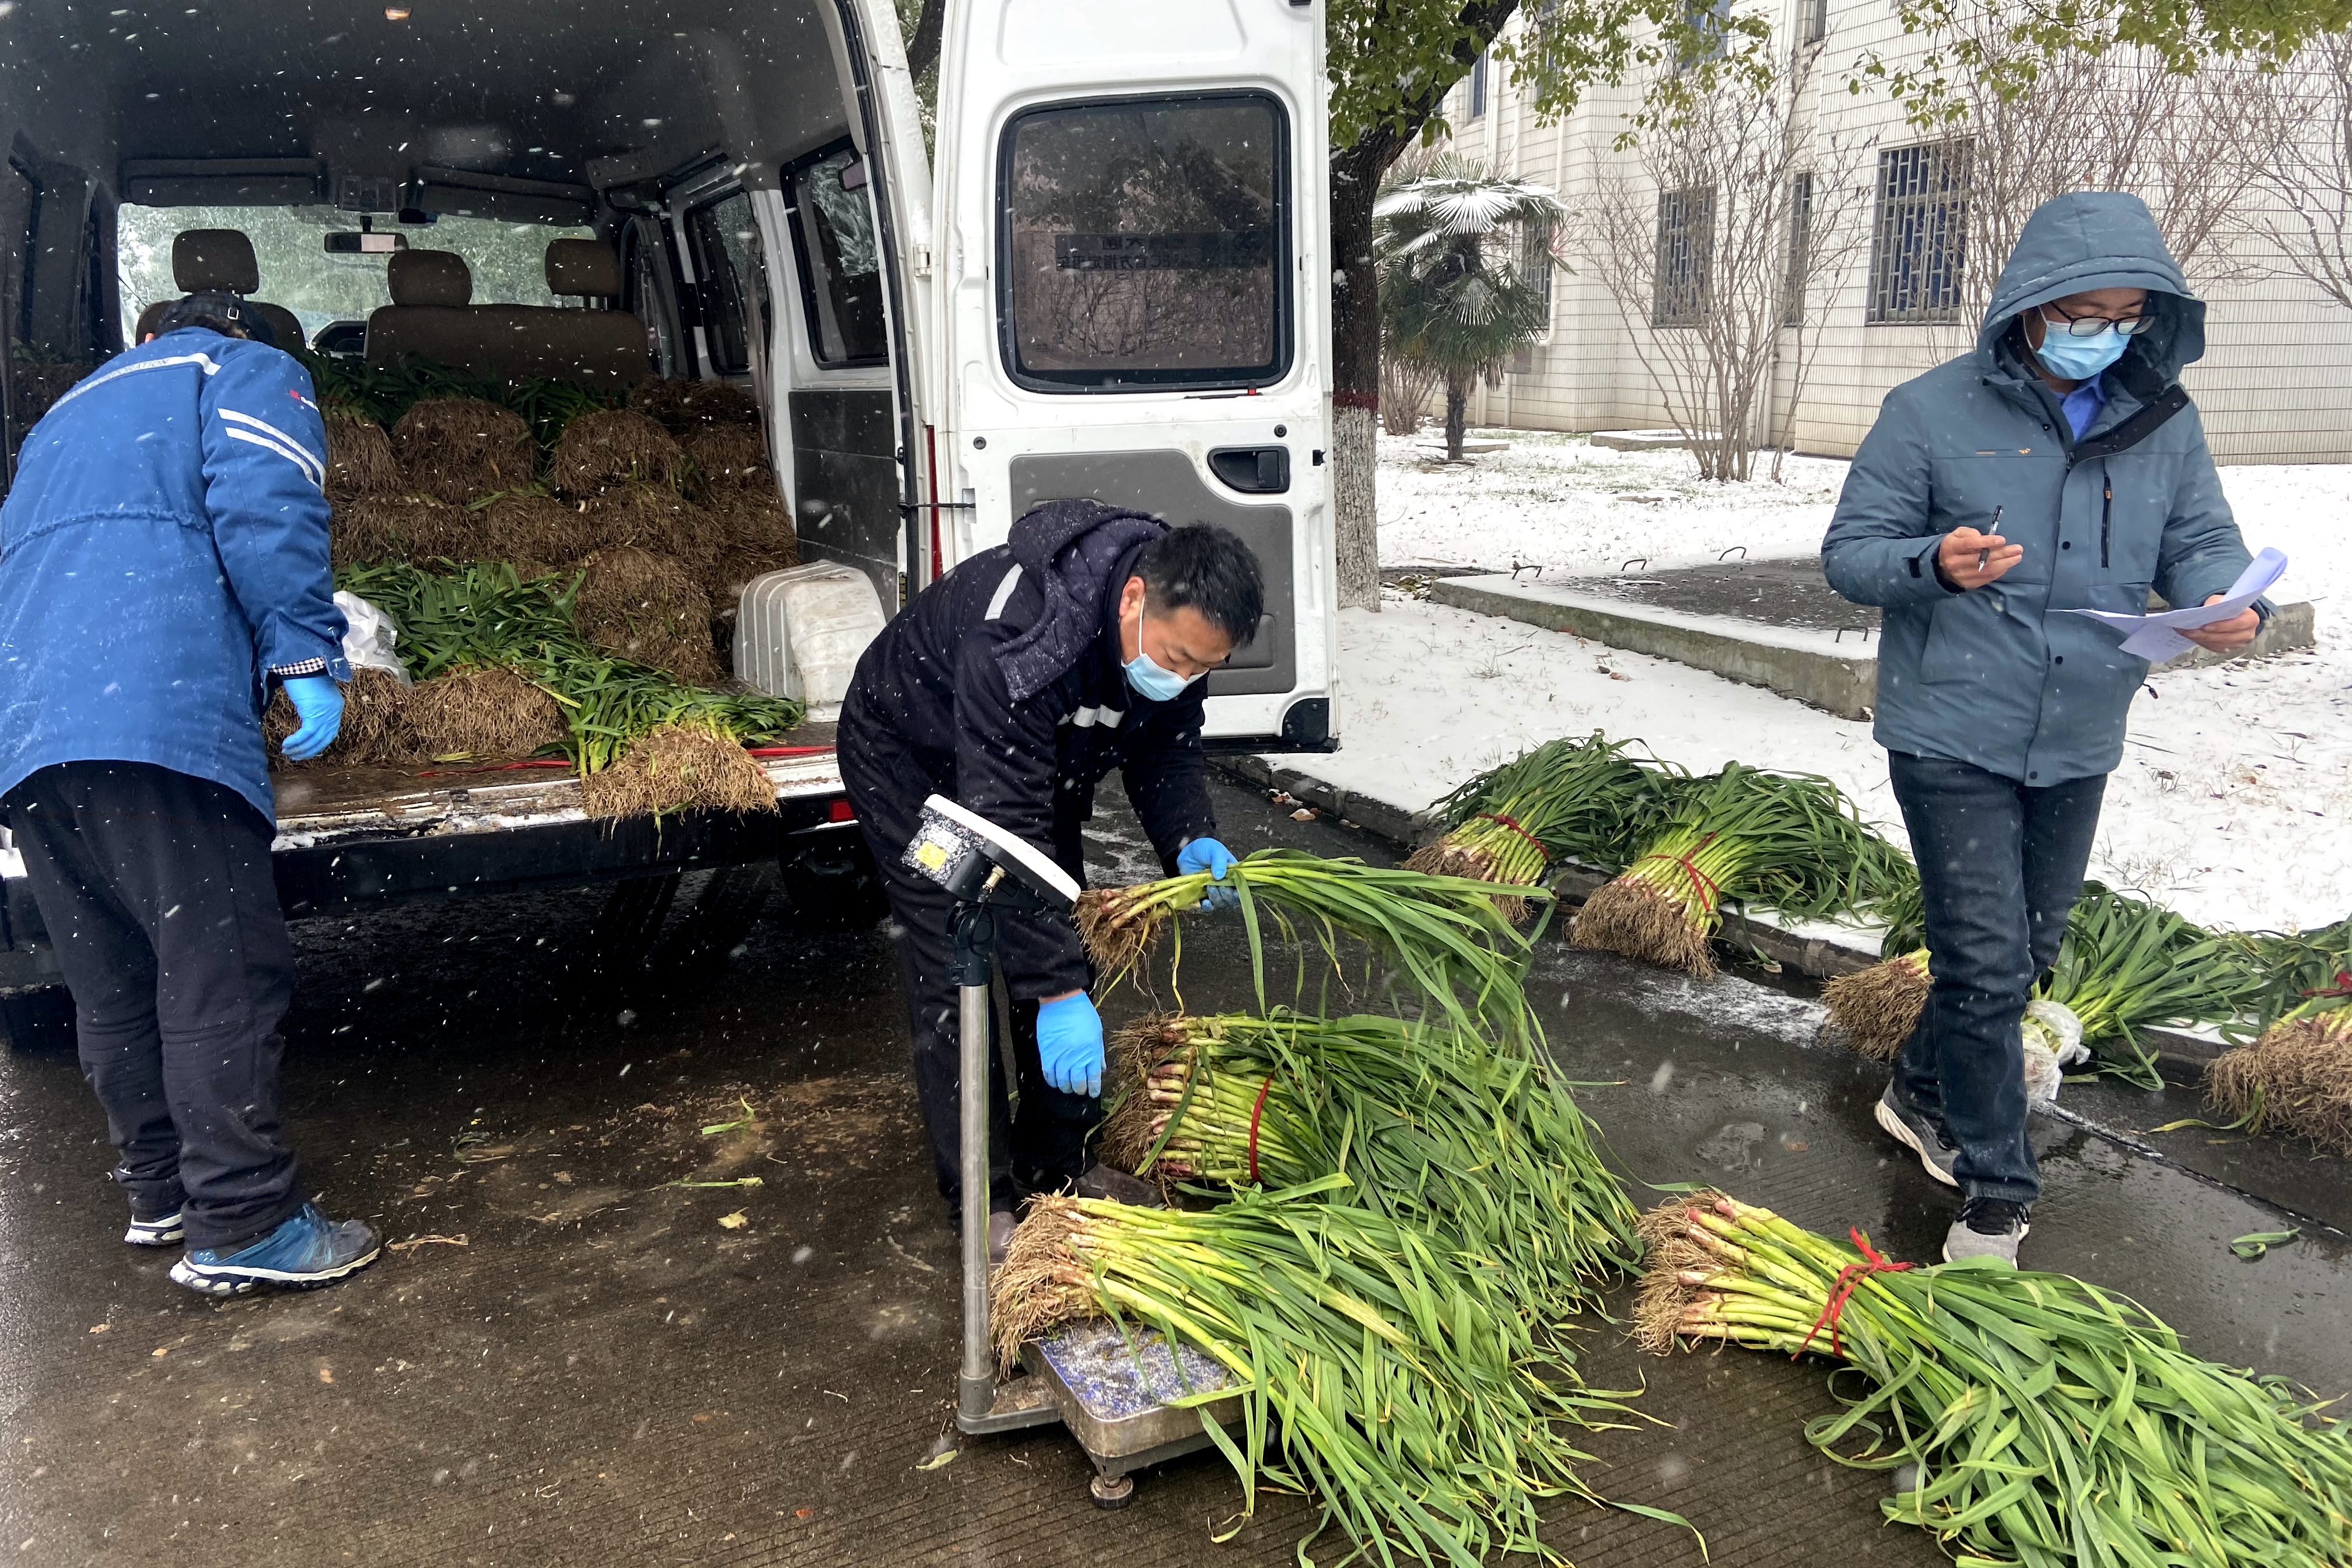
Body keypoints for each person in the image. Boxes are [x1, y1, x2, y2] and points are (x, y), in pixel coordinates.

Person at [1822, 191, 2264, 1266]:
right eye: (2079, 311)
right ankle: (1993, 1196)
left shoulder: (2162, 418)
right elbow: (1851, 554)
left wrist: (2228, 604)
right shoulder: (1929, 411)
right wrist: (1935, 563)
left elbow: (2202, 541)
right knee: (1985, 963)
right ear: (2028, 308)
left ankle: (1920, 1090)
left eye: (2123, 314)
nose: (2099, 333)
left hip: (2078, 730)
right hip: (1951, 730)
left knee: (2023, 958)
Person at [0, 290, 382, 1294]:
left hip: (33, 728)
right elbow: (268, 501)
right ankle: (247, 1220)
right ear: (241, 331)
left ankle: (159, 1189)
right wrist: (303, 651)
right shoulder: (239, 371)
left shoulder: (67, 413)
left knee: (115, 975)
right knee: (217, 971)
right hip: (154, 711)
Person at [839, 501, 1263, 1261]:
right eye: (1175, 661)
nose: (1185, 678)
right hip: (914, 773)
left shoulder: (1175, 625)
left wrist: (1189, 835)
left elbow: (1165, 750)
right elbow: (1005, 835)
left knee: (1065, 941)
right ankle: (984, 1199)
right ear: (1133, 599)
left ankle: (1060, 1169)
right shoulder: (1027, 637)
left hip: (1033, 773)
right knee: (955, 964)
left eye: (1203, 667)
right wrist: (1057, 993)